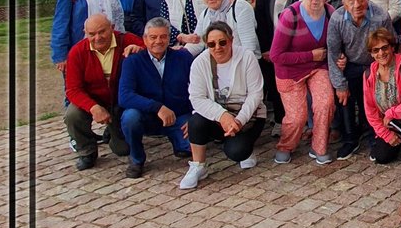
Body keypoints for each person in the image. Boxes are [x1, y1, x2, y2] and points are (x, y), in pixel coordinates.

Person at [180, 20, 266, 189]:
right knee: (195, 122)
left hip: (247, 115)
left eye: (222, 42)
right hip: (218, 115)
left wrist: (239, 121)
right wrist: (222, 116)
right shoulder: (200, 62)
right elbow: (197, 98)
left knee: (238, 152)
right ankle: (198, 165)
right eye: (211, 44)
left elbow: (256, 94)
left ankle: (244, 148)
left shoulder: (247, 57)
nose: (217, 47)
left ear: (231, 40)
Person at [270, 0, 337, 165]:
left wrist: (338, 57)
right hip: (290, 71)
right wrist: (310, 55)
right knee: (297, 117)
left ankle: (319, 147)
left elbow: (334, 43)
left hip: (318, 67)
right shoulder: (290, 15)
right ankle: (286, 146)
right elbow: (276, 55)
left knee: (325, 104)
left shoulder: (330, 13)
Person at [327, 0, 397, 159]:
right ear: (344, 3)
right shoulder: (337, 19)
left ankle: (374, 135)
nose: (357, 5)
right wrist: (340, 85)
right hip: (350, 64)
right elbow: (333, 53)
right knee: (344, 97)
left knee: (373, 97)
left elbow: (392, 43)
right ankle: (350, 139)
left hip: (375, 64)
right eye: (351, 1)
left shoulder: (380, 16)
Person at [63, 14, 142, 169]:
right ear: (85, 33)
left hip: (121, 101)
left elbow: (154, 54)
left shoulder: (127, 40)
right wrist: (93, 107)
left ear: (112, 28)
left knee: (123, 150)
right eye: (92, 34)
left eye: (102, 32)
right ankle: (87, 151)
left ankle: (113, 132)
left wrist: (142, 51)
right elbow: (72, 89)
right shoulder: (77, 52)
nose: (97, 38)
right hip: (94, 99)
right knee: (73, 114)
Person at [118, 17, 193, 178]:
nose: (158, 41)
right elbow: (125, 96)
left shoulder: (183, 57)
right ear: (145, 39)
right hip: (147, 116)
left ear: (169, 38)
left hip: (178, 115)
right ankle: (136, 159)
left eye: (163, 36)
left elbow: (198, 88)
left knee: (191, 144)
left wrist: (195, 116)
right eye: (153, 37)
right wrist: (157, 107)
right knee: (130, 117)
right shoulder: (133, 61)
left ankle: (179, 144)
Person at [52, 0, 126, 76]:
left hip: (110, 45)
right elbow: (60, 24)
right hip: (81, 47)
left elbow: (118, 17)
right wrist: (60, 55)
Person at [253, 0, 299, 131]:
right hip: (274, 45)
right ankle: (281, 121)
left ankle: (299, 121)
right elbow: (260, 19)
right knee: (277, 85)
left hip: (297, 44)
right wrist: (265, 47)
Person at [362, 27, 401, 164]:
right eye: (375, 50)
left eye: (384, 48)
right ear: (371, 54)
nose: (381, 53)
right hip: (389, 123)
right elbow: (370, 110)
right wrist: (386, 134)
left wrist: (391, 113)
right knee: (382, 156)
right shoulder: (369, 74)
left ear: (392, 47)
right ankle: (399, 140)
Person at [196, 0, 260, 58]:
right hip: (218, 60)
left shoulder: (240, 7)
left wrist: (242, 62)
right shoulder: (205, 13)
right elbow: (197, 41)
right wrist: (183, 51)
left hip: (243, 59)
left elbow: (249, 44)